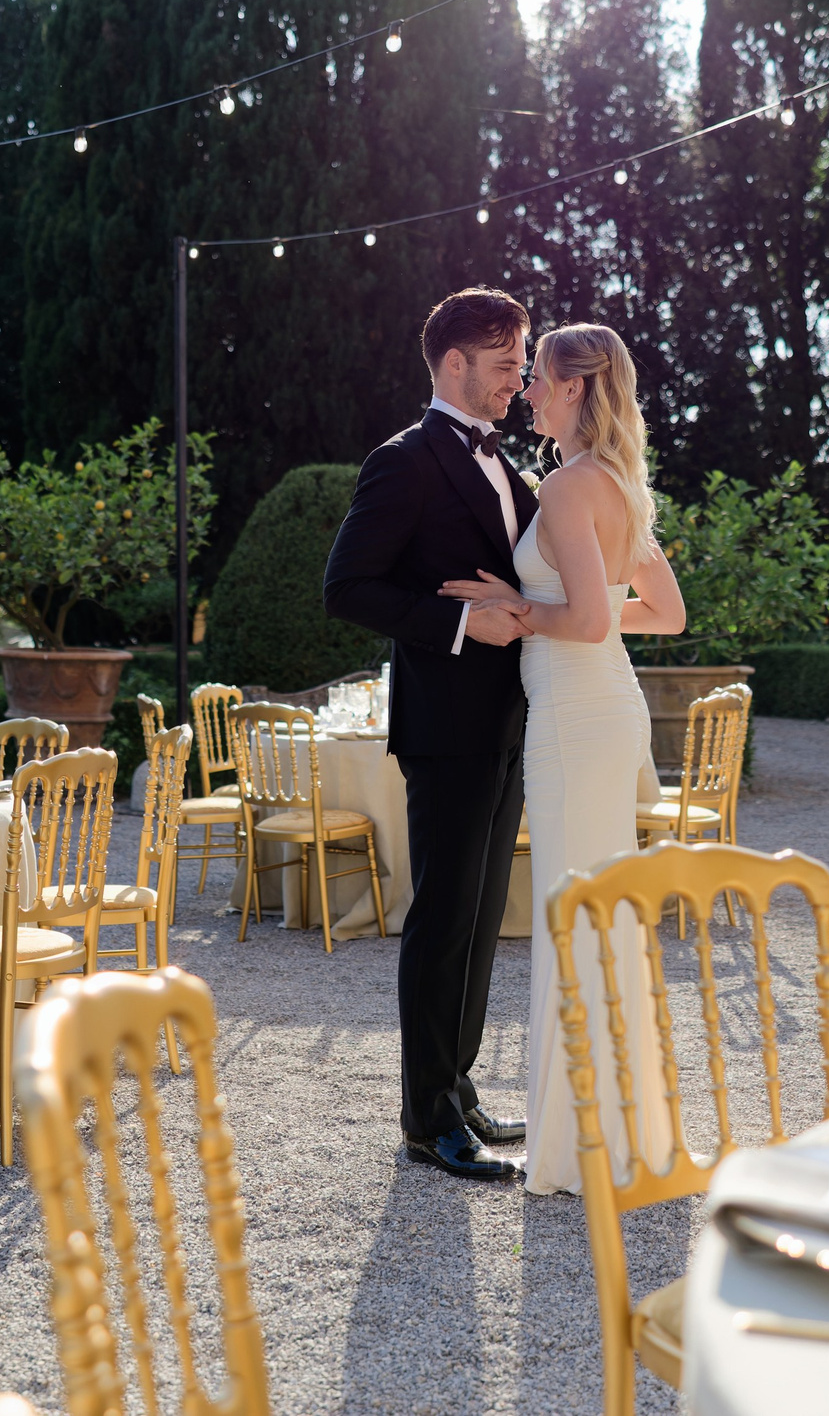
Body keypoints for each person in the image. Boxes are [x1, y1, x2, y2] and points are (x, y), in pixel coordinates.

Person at [438, 323, 686, 1196]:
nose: (530, 392)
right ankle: (615, 1130)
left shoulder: (572, 484)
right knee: (596, 915)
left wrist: (521, 605)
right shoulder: (618, 482)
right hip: (597, 709)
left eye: (538, 377)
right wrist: (572, 608)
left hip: (578, 723)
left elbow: (584, 620)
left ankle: (593, 1145)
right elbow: (661, 610)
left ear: (576, 389)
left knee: (575, 915)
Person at [323, 289, 539, 1181]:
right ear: (454, 363)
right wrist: (459, 628)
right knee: (443, 920)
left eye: (522, 363)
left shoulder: (509, 464)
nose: (519, 380)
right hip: (445, 726)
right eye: (505, 364)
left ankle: (460, 1089)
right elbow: (347, 588)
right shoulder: (403, 463)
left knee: (484, 920)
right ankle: (425, 1120)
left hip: (511, 721)